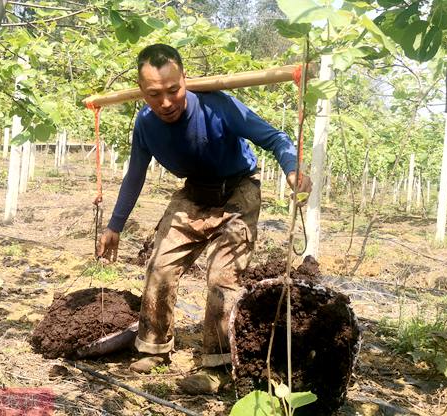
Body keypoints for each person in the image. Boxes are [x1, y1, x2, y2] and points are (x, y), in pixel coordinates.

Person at [97, 44, 312, 394]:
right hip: (194, 193)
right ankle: (154, 347)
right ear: (142, 92)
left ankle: (219, 365)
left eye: (173, 90)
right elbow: (134, 174)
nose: (165, 102)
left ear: (185, 80)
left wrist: (292, 169)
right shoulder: (146, 124)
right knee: (160, 265)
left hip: (238, 191)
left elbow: (276, 138)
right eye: (154, 94)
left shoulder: (217, 106)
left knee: (222, 277)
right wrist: (114, 226)